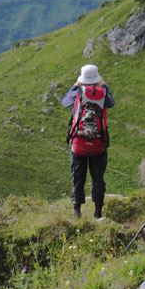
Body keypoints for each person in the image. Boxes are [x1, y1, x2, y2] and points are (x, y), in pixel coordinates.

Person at [60, 63, 115, 219]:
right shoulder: (103, 94)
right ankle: (98, 213)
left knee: (78, 176)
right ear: (97, 79)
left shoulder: (77, 93)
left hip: (78, 143)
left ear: (82, 79)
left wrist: (75, 85)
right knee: (98, 178)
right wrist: (104, 85)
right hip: (99, 143)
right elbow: (111, 103)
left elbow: (65, 101)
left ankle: (77, 212)